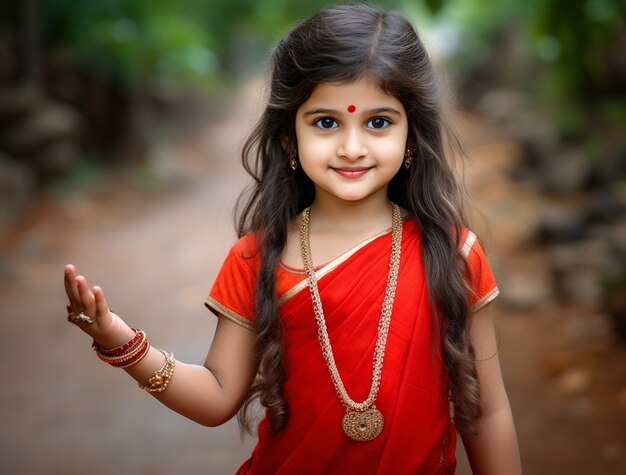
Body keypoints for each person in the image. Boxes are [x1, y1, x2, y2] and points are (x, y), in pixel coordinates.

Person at [64, 4, 522, 474]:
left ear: (411, 136)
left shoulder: (452, 253)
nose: (352, 147)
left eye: (378, 122)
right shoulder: (257, 258)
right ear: (288, 138)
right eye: (326, 122)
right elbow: (217, 398)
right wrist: (121, 343)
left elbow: (486, 412)